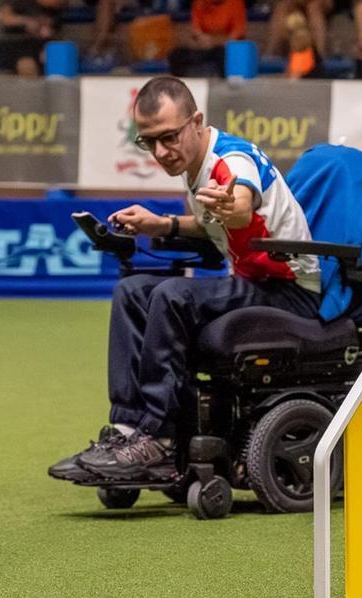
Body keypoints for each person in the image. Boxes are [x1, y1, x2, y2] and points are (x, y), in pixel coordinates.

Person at [48, 76, 320, 483]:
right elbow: (212, 221)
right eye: (149, 141)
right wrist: (162, 224)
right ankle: (127, 429)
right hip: (254, 283)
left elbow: (240, 204)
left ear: (196, 122)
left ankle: (159, 440)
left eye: (169, 137)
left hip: (290, 291)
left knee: (174, 295)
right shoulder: (196, 164)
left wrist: (233, 206)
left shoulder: (231, 161)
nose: (161, 152)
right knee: (132, 290)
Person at [169, 0, 247, 77]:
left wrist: (214, 41)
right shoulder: (199, 3)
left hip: (224, 48)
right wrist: (202, 38)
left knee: (223, 55)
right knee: (176, 54)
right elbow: (196, 30)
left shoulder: (236, 3)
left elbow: (238, 33)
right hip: (204, 48)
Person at [0, 0, 65, 77]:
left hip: (41, 44)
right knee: (27, 65)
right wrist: (25, 21)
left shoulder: (54, 10)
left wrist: (45, 33)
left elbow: (50, 31)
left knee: (57, 58)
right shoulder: (19, 2)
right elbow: (3, 17)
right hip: (15, 42)